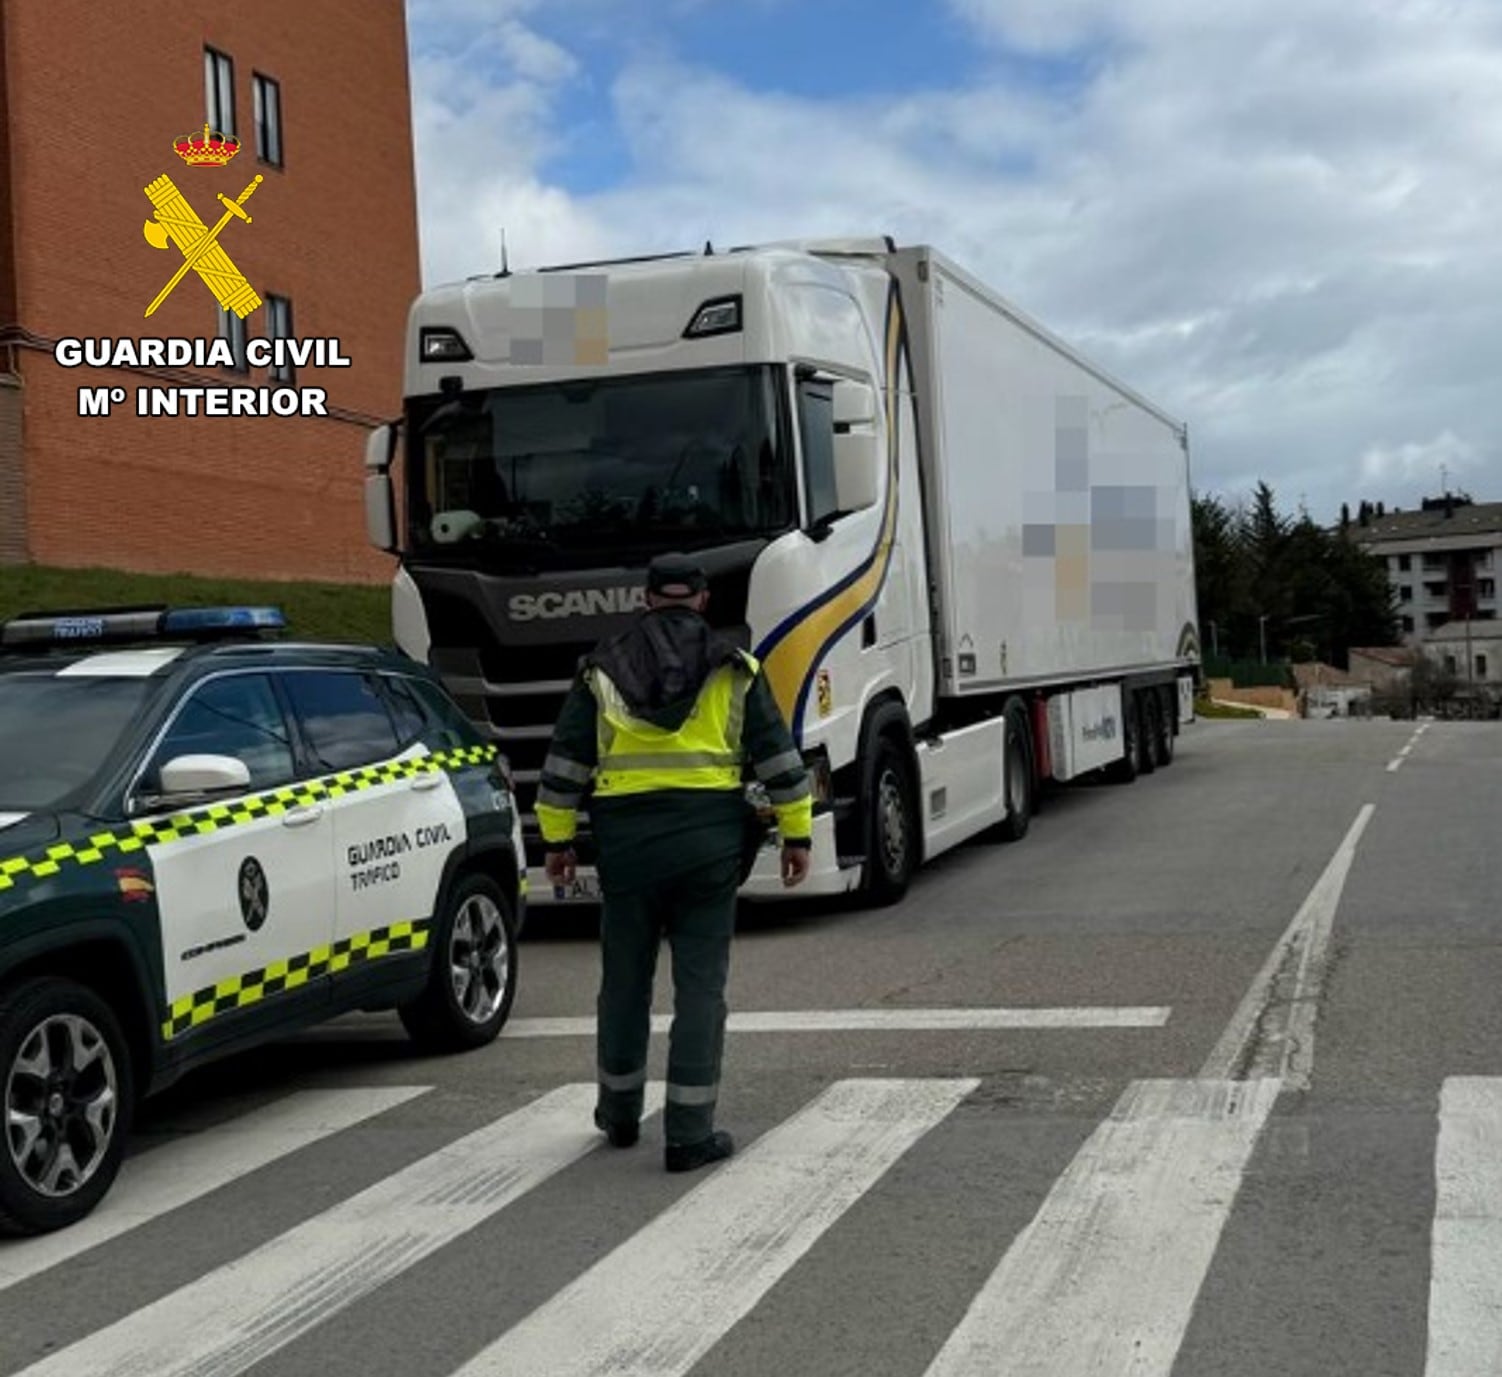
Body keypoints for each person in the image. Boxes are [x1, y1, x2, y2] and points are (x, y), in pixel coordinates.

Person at [537, 553, 812, 1172]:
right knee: (701, 991)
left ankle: (619, 1114)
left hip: (628, 851)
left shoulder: (600, 671)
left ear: (646, 599)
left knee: (625, 985)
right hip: (708, 848)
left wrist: (557, 845)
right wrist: (798, 837)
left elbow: (563, 770)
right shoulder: (736, 670)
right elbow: (779, 761)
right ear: (704, 600)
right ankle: (689, 1134)